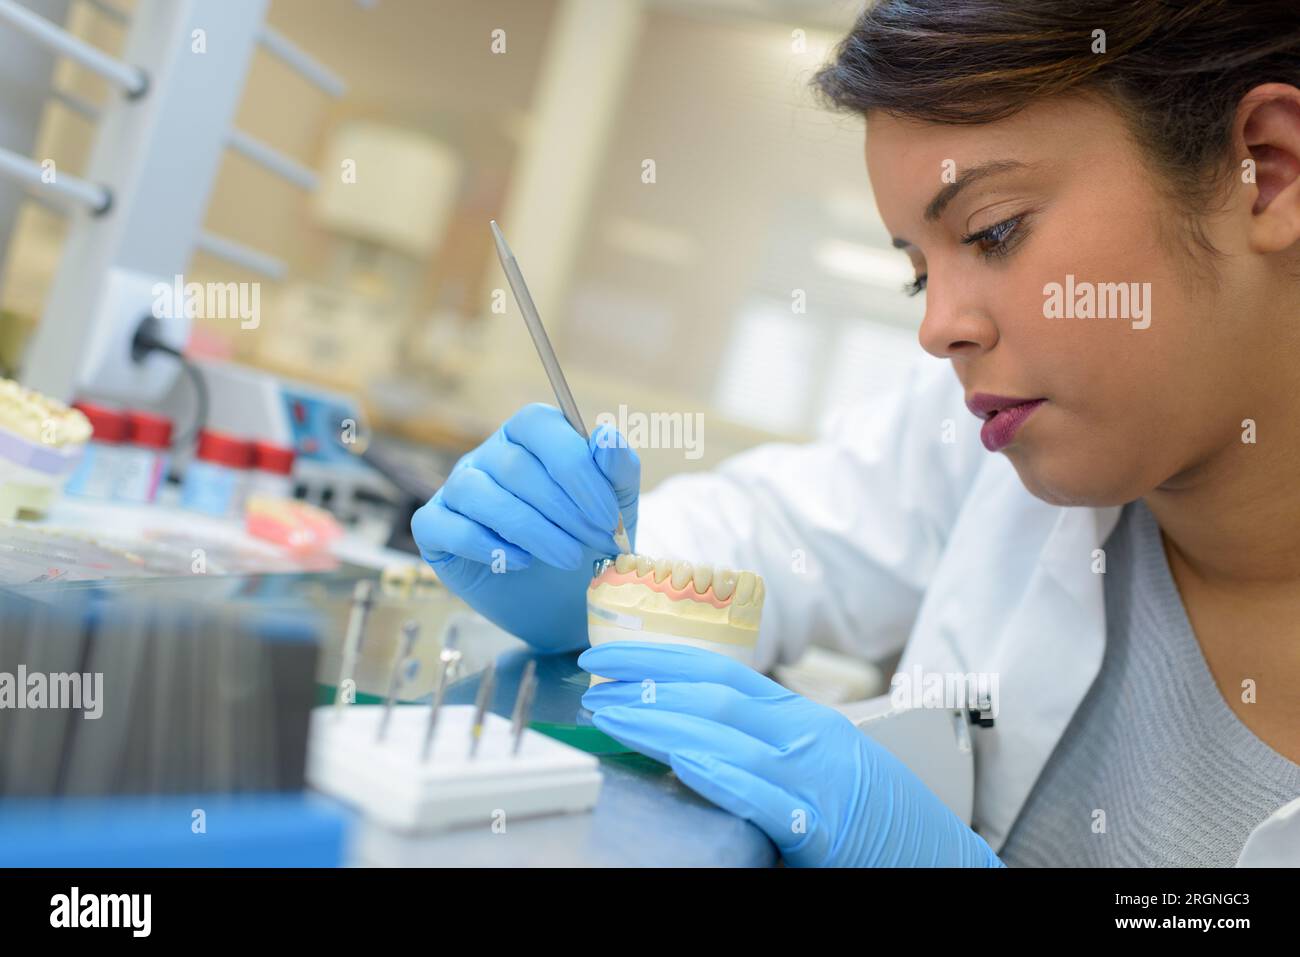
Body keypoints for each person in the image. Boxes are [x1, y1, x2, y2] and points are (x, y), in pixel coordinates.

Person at [412, 0, 1300, 867]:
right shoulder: (990, 436)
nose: (939, 326)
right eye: (919, 275)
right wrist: (593, 580)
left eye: (992, 232)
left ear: (1266, 168)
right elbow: (769, 534)